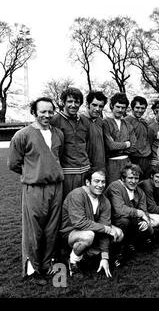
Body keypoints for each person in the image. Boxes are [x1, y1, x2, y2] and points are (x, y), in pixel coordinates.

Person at [8, 97, 64, 286]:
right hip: (34, 188)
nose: (47, 115)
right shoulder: (22, 135)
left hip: (56, 186)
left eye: (50, 112)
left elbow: (58, 158)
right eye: (43, 112)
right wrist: (33, 174)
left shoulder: (58, 134)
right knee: (34, 230)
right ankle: (32, 269)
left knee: (51, 229)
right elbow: (14, 164)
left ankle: (47, 265)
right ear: (34, 112)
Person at [60, 169, 123, 278]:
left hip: (94, 231)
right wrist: (106, 228)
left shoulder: (105, 201)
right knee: (88, 235)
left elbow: (105, 227)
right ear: (88, 182)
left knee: (119, 233)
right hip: (71, 234)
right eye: (96, 181)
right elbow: (79, 223)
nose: (100, 185)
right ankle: (73, 261)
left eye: (103, 182)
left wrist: (104, 257)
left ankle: (92, 256)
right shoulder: (77, 194)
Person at [104, 163, 159, 267]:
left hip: (132, 220)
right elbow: (119, 209)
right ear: (123, 178)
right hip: (112, 220)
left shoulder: (139, 191)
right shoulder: (115, 186)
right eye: (130, 178)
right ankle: (119, 251)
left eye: (136, 178)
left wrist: (146, 221)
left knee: (148, 227)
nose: (133, 181)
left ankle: (134, 243)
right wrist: (139, 213)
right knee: (124, 221)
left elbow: (144, 210)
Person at [50, 87, 92, 200]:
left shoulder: (84, 120)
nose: (73, 105)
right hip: (68, 173)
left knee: (85, 204)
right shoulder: (54, 121)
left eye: (77, 102)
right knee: (69, 205)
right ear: (63, 102)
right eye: (70, 101)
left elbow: (87, 144)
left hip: (85, 171)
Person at [103, 92, 137, 184]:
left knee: (127, 188)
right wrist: (126, 144)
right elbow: (110, 146)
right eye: (118, 107)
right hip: (112, 163)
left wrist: (119, 149)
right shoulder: (105, 123)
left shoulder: (128, 125)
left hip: (127, 162)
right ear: (111, 106)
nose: (120, 110)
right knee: (113, 188)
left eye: (123, 107)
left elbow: (134, 147)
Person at [124, 96, 152, 178]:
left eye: (142, 108)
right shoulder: (126, 121)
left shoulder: (144, 122)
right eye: (137, 107)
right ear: (132, 107)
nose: (140, 110)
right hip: (134, 158)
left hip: (146, 158)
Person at [83, 91, 107, 170]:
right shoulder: (80, 120)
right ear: (87, 104)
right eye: (94, 105)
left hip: (101, 167)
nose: (97, 109)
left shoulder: (101, 122)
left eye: (101, 106)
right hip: (87, 168)